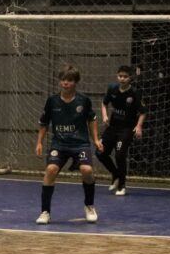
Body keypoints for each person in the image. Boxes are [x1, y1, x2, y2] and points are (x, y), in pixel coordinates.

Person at [35, 65, 103, 225]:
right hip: (59, 144)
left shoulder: (83, 100)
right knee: (50, 170)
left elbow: (92, 120)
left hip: (80, 144)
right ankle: (45, 211)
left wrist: (96, 139)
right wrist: (39, 142)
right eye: (63, 80)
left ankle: (89, 205)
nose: (65, 83)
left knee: (87, 170)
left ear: (75, 82)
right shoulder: (52, 101)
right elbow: (44, 123)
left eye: (69, 80)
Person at [96, 65, 147, 196]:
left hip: (126, 129)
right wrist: (105, 116)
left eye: (125, 76)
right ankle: (115, 173)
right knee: (100, 152)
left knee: (119, 155)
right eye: (120, 76)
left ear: (130, 78)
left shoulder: (134, 93)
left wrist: (139, 126)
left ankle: (122, 185)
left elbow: (143, 112)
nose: (122, 79)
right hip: (112, 127)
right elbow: (104, 103)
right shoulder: (112, 89)